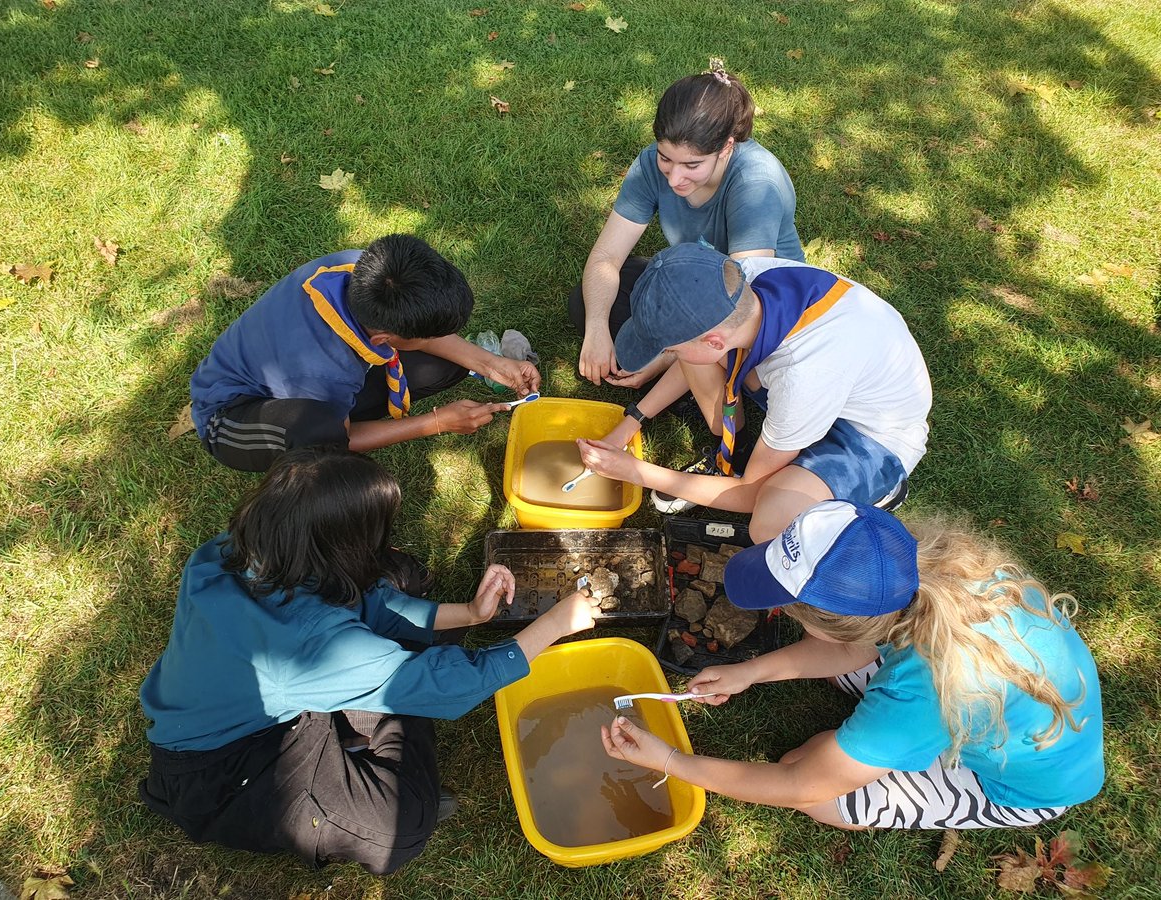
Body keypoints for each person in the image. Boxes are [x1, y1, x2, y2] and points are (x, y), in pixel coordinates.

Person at [139, 447, 602, 873]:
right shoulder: (311, 642)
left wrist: (472, 613)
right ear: (335, 548)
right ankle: (371, 728)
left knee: (401, 581)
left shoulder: (236, 550)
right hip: (223, 770)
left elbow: (367, 598)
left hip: (267, 694)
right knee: (400, 828)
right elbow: (451, 688)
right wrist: (557, 624)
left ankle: (354, 709)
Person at [602, 501, 1105, 830]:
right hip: (994, 699)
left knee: (807, 777)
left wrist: (671, 763)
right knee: (829, 742)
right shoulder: (916, 571)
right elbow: (850, 649)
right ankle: (884, 747)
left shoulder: (925, 688)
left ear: (847, 627)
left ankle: (917, 762)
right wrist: (748, 671)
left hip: (1021, 785)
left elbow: (803, 784)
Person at [576, 243, 932, 541]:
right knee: (699, 359)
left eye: (670, 349)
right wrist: (630, 424)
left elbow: (750, 493)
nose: (667, 356)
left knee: (769, 518)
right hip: (821, 388)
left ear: (714, 340)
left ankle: (879, 489)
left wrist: (637, 471)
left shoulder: (804, 376)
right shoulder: (737, 283)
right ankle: (740, 449)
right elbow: (698, 356)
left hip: (869, 437)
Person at [190, 234, 539, 472]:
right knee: (321, 432)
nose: (442, 336)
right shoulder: (323, 371)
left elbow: (420, 334)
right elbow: (342, 438)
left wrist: (492, 364)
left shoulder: (361, 269)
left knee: (449, 364)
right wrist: (435, 423)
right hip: (234, 417)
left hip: (314, 374)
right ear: (384, 338)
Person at [569, 59, 804, 388]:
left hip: (755, 308)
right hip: (696, 282)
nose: (675, 178)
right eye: (666, 158)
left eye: (692, 165)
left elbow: (735, 306)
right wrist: (596, 330)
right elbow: (607, 256)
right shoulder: (651, 164)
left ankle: (688, 376)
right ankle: (685, 372)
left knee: (748, 367)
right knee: (588, 302)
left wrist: (664, 357)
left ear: (726, 148)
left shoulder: (756, 185)